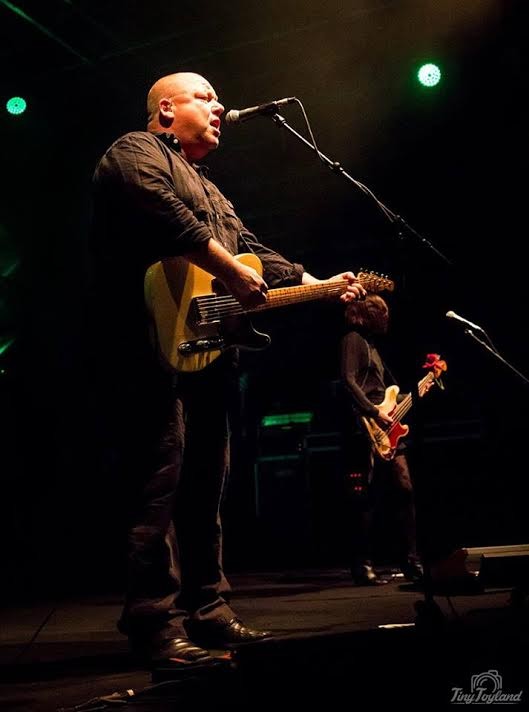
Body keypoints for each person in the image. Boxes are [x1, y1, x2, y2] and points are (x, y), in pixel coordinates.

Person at [90, 71, 366, 667]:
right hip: (147, 347)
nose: (220, 107)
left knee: (205, 485)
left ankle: (209, 611)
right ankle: (153, 625)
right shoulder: (135, 150)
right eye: (205, 97)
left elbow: (250, 249)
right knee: (158, 484)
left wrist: (317, 282)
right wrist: (229, 268)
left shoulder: (211, 187)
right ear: (167, 108)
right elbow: (158, 208)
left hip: (207, 351)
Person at [339, 294, 423, 586]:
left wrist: (422, 388)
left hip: (388, 426)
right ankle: (362, 564)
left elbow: (388, 391)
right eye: (382, 313)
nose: (387, 318)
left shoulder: (373, 346)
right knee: (366, 495)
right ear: (368, 314)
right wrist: (374, 411)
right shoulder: (352, 339)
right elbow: (348, 380)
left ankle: (411, 560)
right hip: (365, 426)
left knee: (405, 487)